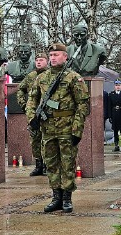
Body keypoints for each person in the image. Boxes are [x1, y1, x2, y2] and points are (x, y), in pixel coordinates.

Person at [26, 43, 89, 213]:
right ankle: (56, 197)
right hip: (48, 128)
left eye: (57, 54)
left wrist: (77, 129)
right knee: (51, 163)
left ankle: (67, 198)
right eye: (51, 55)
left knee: (67, 163)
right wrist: (32, 118)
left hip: (67, 127)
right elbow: (32, 99)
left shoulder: (73, 78)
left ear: (65, 57)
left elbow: (82, 105)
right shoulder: (41, 78)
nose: (53, 58)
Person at [16, 52, 49, 176]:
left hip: (48, 113)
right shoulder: (31, 76)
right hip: (34, 113)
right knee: (35, 139)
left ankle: (47, 165)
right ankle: (38, 165)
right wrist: (24, 105)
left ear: (47, 61)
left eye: (41, 60)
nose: (39, 62)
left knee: (47, 140)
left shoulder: (51, 75)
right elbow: (20, 89)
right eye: (37, 60)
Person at [108, 80, 121, 152]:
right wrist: (110, 116)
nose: (118, 87)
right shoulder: (111, 94)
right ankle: (116, 145)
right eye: (116, 85)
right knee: (115, 131)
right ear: (114, 86)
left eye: (119, 85)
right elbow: (109, 106)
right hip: (114, 114)